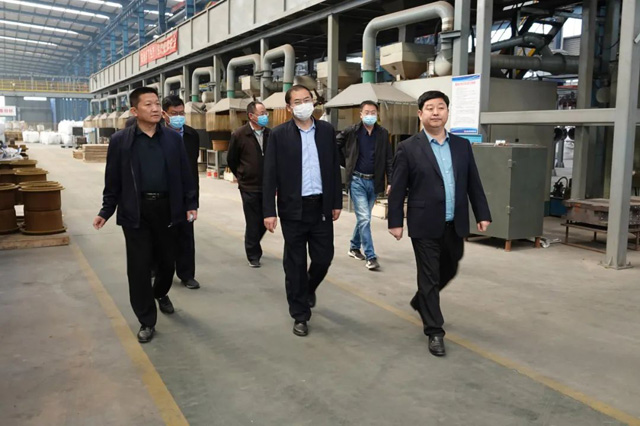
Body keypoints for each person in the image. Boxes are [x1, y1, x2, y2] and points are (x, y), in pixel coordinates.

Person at [387, 90, 491, 357]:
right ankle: (434, 331)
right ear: (420, 114)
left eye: (441, 107)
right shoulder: (408, 148)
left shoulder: (461, 146)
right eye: (430, 108)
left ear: (447, 112)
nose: (436, 112)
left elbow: (473, 182)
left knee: (451, 266)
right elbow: (398, 188)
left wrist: (482, 214)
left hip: (454, 222)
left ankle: (421, 299)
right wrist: (395, 221)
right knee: (429, 276)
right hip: (424, 223)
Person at [93, 87, 198, 344]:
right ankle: (146, 320)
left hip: (168, 209)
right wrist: (106, 210)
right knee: (139, 268)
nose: (155, 108)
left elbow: (186, 174)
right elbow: (113, 179)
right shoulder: (121, 141)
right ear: (134, 110)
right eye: (148, 104)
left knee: (167, 263)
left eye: (157, 103)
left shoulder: (172, 139)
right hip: (136, 211)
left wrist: (190, 203)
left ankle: (160, 292)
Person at [263, 85, 342, 337]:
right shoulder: (279, 135)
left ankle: (308, 287)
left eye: (307, 99)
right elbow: (269, 174)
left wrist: (336, 202)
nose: (303, 105)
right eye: (297, 101)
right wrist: (269, 211)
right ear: (289, 107)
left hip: (321, 207)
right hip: (293, 208)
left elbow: (333, 167)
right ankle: (299, 314)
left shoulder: (326, 131)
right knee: (295, 263)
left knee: (323, 257)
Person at [337, 100, 393, 271]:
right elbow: (334, 145)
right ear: (361, 114)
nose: (370, 115)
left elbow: (389, 159)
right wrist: (347, 163)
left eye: (373, 112)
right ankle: (371, 256)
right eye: (367, 112)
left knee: (364, 218)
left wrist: (390, 181)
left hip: (374, 182)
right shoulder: (352, 131)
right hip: (357, 181)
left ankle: (354, 247)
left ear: (377, 115)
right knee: (364, 218)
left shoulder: (382, 134)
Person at [162, 95, 201, 289]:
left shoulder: (192, 135)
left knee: (186, 236)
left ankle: (187, 275)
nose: (178, 117)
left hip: (187, 194)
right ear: (164, 114)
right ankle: (158, 270)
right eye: (174, 113)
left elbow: (192, 167)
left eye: (181, 113)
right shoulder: (157, 135)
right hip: (163, 194)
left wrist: (193, 199)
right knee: (162, 236)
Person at [227, 101, 271, 267]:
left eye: (266, 113)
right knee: (253, 220)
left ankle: (253, 242)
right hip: (249, 185)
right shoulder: (239, 135)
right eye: (261, 113)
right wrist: (241, 175)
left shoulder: (270, 134)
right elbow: (232, 159)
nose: (265, 116)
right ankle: (253, 255)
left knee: (266, 219)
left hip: (267, 185)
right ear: (251, 116)